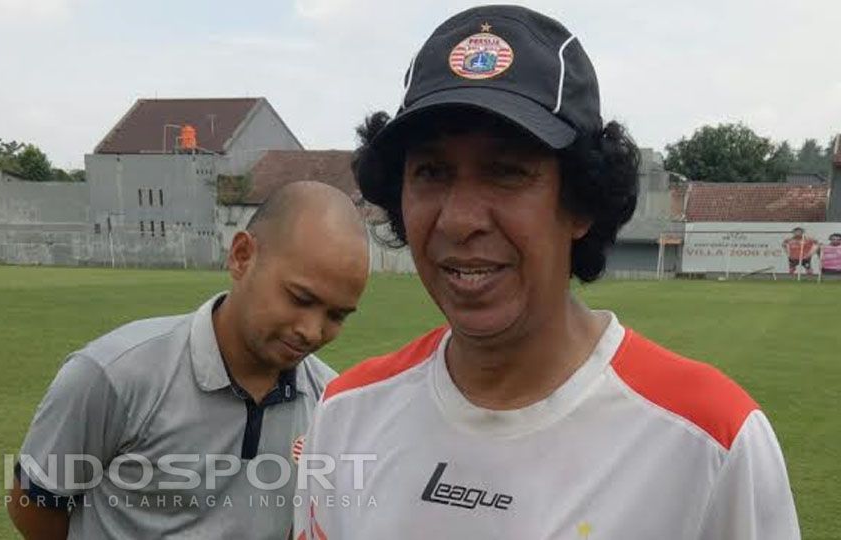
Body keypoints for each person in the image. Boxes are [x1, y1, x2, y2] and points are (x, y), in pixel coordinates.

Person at [294, 5, 800, 539]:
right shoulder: (347, 414)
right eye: (431, 172)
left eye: (507, 171)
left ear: (580, 202)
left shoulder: (710, 441)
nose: (460, 220)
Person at [8, 181, 369, 539]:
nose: (312, 330)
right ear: (242, 256)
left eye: (336, 316)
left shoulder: (330, 402)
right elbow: (35, 504)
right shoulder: (113, 374)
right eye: (300, 298)